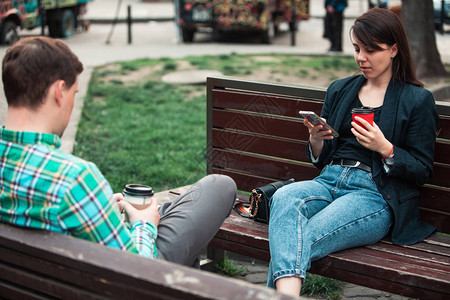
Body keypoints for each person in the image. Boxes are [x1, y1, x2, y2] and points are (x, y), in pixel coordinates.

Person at [0, 36, 236, 267]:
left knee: (163, 214)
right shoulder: (75, 179)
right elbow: (137, 270)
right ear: (59, 92)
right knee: (219, 186)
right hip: (122, 284)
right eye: (74, 94)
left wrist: (100, 210)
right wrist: (144, 225)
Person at [268, 8, 438, 296]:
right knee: (284, 197)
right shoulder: (340, 90)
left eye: (372, 50)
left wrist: (385, 148)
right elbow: (322, 157)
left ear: (394, 49)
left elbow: (422, 169)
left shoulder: (416, 100)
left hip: (373, 193)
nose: (361, 58)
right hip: (328, 181)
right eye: (357, 49)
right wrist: (316, 138)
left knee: (297, 235)